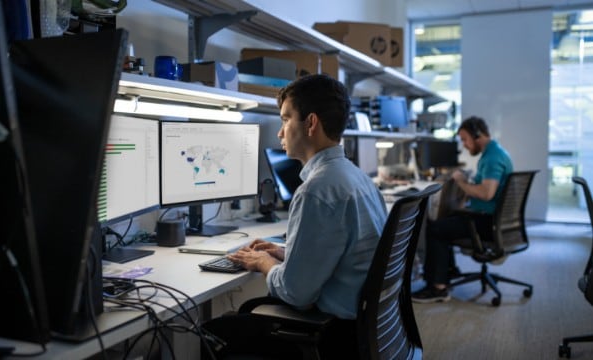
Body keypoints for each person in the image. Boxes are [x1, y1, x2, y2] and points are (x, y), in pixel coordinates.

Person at [200, 74, 387, 359]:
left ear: (310, 123)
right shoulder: (357, 177)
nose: (279, 132)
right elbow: (342, 252)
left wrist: (264, 263)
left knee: (207, 334)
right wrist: (287, 252)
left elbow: (297, 294)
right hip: (368, 328)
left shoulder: (317, 190)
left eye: (286, 119)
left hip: (333, 334)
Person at [411, 116, 513, 303]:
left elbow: (486, 193)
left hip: (486, 222)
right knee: (447, 219)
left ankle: (438, 287)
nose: (464, 145)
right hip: (491, 218)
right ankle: (446, 274)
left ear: (478, 135)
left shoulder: (492, 157)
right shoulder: (496, 152)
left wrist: (461, 181)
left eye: (465, 139)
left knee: (435, 228)